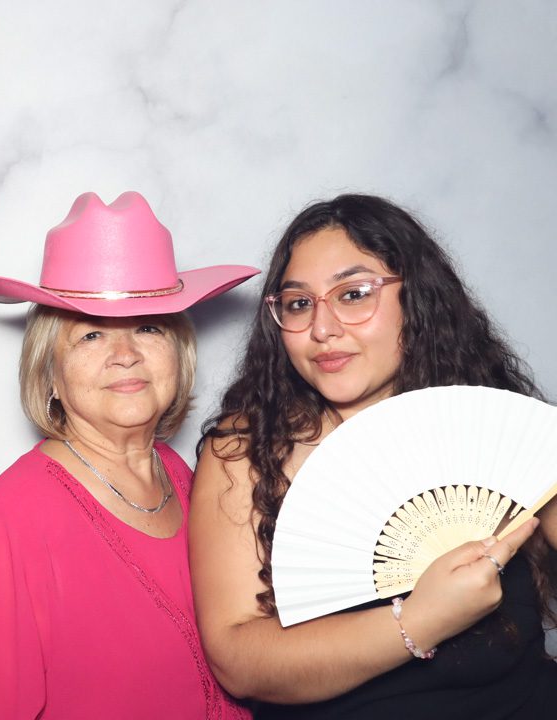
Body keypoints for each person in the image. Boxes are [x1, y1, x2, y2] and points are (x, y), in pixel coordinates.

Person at [190, 193, 557, 719]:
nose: (323, 329)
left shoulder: (489, 425)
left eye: (354, 294)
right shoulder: (247, 451)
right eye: (298, 303)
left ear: (418, 299)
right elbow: (238, 660)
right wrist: (420, 621)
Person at [0, 191, 259, 719]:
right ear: (49, 374)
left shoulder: (188, 476)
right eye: (90, 335)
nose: (125, 354)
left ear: (179, 352)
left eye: (148, 327)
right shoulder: (8, 523)